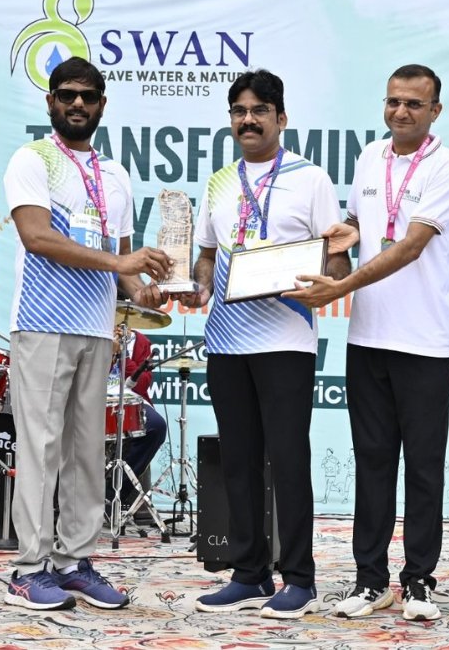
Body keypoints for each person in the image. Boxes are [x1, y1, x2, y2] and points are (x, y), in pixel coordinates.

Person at [283, 64, 449, 621]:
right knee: (373, 461)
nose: (400, 112)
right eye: (393, 102)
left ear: (435, 111)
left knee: (424, 467)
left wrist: (341, 286)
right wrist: (344, 238)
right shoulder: (369, 157)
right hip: (368, 336)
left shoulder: (448, 166)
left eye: (413, 103)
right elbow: (363, 226)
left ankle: (420, 581)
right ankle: (371, 581)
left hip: (424, 341)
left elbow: (410, 245)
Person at [3, 56, 171, 611]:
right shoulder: (33, 159)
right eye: (67, 94)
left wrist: (143, 290)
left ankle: (73, 562)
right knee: (41, 449)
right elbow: (37, 237)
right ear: (50, 101)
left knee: (86, 451)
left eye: (88, 96)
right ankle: (29, 569)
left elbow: (121, 265)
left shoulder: (115, 175)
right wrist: (122, 264)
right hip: (43, 323)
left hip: (97, 330)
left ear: (102, 104)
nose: (78, 103)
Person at [186, 69, 349, 619]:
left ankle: (299, 578)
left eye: (259, 111)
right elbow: (206, 256)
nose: (248, 120)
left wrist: (323, 280)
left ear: (281, 118)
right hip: (226, 339)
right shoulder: (218, 182)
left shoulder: (310, 178)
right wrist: (198, 286)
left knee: (288, 459)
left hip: (286, 338)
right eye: (239, 111)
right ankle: (249, 573)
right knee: (238, 461)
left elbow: (336, 258)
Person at [105, 327, 168, 508]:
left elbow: (141, 385)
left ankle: (114, 493)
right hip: (98, 397)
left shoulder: (141, 342)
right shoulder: (96, 333)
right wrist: (109, 352)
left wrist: (123, 354)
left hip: (130, 399)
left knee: (157, 426)